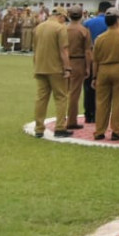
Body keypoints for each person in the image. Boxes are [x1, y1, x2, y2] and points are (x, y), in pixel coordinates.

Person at [92, 9, 119, 141]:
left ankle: (99, 131)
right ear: (118, 20)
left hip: (103, 70)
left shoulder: (100, 38)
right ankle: (116, 130)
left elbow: (95, 60)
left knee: (101, 102)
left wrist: (94, 77)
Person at [32, 7, 72, 139]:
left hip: (40, 66)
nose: (64, 21)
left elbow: (35, 48)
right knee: (61, 97)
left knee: (41, 98)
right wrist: (67, 68)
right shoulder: (60, 28)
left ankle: (39, 128)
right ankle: (60, 128)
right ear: (61, 16)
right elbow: (64, 50)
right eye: (64, 19)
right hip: (56, 68)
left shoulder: (39, 27)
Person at [64, 6, 94, 130]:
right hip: (78, 61)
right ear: (82, 15)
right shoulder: (83, 31)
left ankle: (61, 119)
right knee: (74, 94)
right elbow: (88, 51)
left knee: (63, 93)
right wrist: (88, 67)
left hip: (64, 61)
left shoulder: (63, 29)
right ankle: (71, 120)